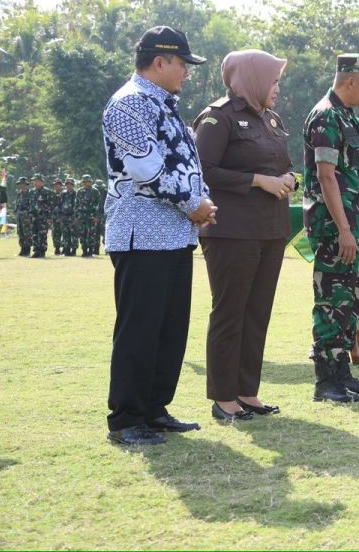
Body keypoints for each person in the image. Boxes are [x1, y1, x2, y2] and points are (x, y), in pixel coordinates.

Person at [102, 25, 217, 446]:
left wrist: (200, 203)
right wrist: (193, 204)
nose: (186, 71)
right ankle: (127, 418)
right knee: (140, 328)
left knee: (169, 329)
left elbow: (188, 165)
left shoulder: (165, 105)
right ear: (159, 62)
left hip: (173, 234)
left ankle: (153, 409)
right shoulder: (129, 105)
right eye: (183, 63)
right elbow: (147, 172)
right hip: (140, 233)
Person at [193, 49, 296, 422]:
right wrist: (257, 181)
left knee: (257, 313)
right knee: (230, 312)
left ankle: (247, 392)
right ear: (251, 79)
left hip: (270, 230)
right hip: (231, 232)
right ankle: (223, 398)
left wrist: (289, 179)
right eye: (272, 80)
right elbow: (203, 171)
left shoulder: (270, 119)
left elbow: (283, 166)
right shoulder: (217, 119)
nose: (277, 88)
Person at [303, 53, 359, 403]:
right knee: (332, 302)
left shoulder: (345, 116)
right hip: (336, 231)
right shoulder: (325, 117)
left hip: (355, 228)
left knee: (350, 302)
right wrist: (345, 230)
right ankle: (326, 381)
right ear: (350, 80)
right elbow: (325, 176)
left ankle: (343, 374)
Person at [75, 175, 104, 256]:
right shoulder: (79, 191)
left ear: (90, 182)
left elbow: (99, 204)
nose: (85, 183)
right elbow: (76, 204)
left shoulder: (95, 191)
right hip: (81, 216)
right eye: (84, 182)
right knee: (82, 234)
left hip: (92, 216)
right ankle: (84, 250)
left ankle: (91, 250)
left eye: (87, 181)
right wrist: (76, 216)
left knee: (91, 234)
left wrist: (97, 216)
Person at [26, 174, 51, 258]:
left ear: (41, 182)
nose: (35, 183)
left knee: (42, 234)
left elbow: (51, 205)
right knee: (34, 234)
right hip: (33, 217)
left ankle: (42, 251)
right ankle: (36, 250)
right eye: (34, 181)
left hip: (43, 217)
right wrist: (29, 216)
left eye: (37, 181)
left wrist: (49, 217)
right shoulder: (31, 192)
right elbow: (29, 205)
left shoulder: (47, 192)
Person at [13, 177, 31, 257]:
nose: (22, 185)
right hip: (19, 215)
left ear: (26, 185)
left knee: (27, 233)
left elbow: (32, 204)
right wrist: (16, 211)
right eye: (20, 184)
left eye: (23, 184)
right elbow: (17, 204)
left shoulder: (30, 193)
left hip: (26, 215)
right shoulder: (18, 193)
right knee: (20, 232)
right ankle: (22, 249)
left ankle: (27, 249)